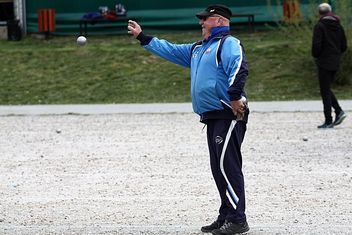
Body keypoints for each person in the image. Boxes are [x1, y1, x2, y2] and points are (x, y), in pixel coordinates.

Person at [127, 4, 250, 235]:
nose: (201, 22)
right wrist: (143, 37)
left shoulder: (228, 43)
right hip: (212, 115)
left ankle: (238, 219)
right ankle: (226, 215)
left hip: (228, 113)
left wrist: (235, 97)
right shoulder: (198, 49)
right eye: (201, 19)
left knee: (227, 167)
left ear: (221, 21)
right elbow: (171, 50)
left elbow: (239, 68)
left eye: (206, 19)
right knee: (218, 168)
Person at [312, 3, 347, 128]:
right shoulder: (338, 26)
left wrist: (317, 56)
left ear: (319, 13)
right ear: (330, 11)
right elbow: (344, 46)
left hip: (324, 62)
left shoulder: (320, 26)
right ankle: (338, 111)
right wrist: (336, 54)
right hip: (335, 61)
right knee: (326, 89)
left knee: (325, 91)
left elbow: (316, 47)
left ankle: (329, 120)